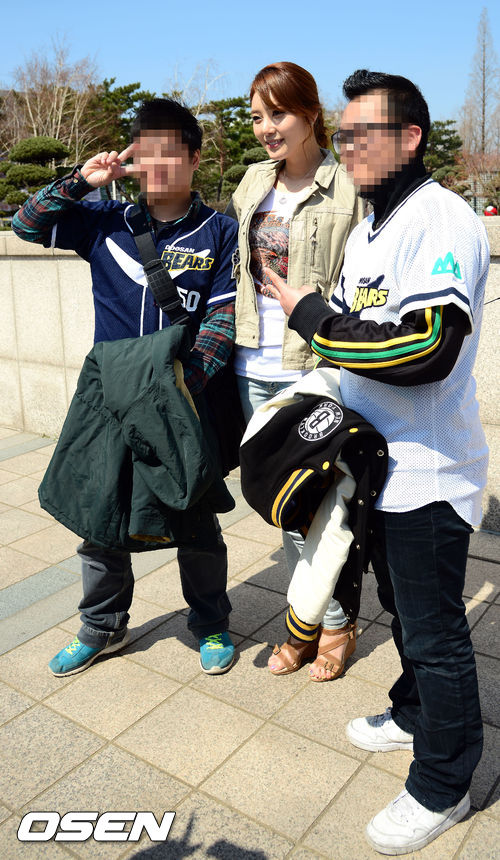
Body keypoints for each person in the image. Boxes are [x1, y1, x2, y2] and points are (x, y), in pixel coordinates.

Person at [265, 69, 489, 855]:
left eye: (365, 133)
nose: (349, 146)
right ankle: (414, 713)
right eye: (345, 133)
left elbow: (427, 347)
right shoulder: (368, 229)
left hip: (430, 472)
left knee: (435, 634)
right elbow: (360, 339)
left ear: (410, 138)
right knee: (403, 613)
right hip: (376, 469)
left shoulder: (442, 217)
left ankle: (445, 784)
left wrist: (313, 317)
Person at [12, 98, 238, 677]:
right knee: (100, 519)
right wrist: (81, 181)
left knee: (196, 519)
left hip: (180, 402)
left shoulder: (221, 231)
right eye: (146, 152)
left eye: (170, 151)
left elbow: (223, 319)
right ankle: (102, 626)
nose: (156, 164)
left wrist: (184, 384)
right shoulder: (104, 221)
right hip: (110, 399)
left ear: (194, 157)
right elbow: (25, 224)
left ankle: (210, 621)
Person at [226, 62, 363, 681]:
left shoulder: (349, 188)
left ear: (310, 113)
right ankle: (313, 619)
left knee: (319, 509)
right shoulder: (252, 182)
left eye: (278, 113)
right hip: (251, 363)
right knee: (283, 506)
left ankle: (330, 625)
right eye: (258, 117)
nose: (266, 128)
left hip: (313, 365)